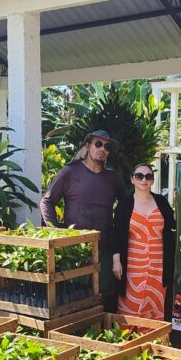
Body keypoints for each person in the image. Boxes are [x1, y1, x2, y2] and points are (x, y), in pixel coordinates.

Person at [39, 130, 127, 311]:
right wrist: (57, 231)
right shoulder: (70, 172)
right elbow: (47, 201)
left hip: (104, 248)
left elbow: (127, 205)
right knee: (74, 297)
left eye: (107, 146)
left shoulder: (113, 178)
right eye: (98, 144)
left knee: (105, 298)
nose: (102, 149)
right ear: (88, 146)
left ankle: (104, 336)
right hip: (75, 250)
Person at [111, 163, 176, 320]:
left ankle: (153, 341)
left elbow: (173, 225)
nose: (144, 179)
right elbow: (117, 235)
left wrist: (180, 201)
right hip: (133, 266)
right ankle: (127, 342)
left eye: (148, 176)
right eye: (139, 176)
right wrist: (116, 261)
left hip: (158, 266)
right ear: (132, 179)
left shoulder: (161, 202)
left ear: (152, 181)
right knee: (130, 306)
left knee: (155, 305)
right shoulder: (125, 204)